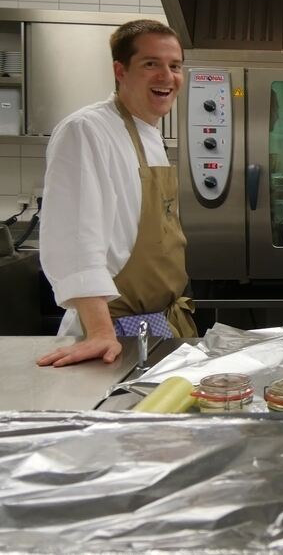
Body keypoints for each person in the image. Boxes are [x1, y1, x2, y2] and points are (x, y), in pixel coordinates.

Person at [37, 19, 197, 367]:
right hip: (111, 334)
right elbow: (74, 239)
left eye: (175, 66)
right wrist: (99, 332)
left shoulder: (150, 134)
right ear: (120, 70)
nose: (167, 77)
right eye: (151, 64)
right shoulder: (87, 131)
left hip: (160, 324)